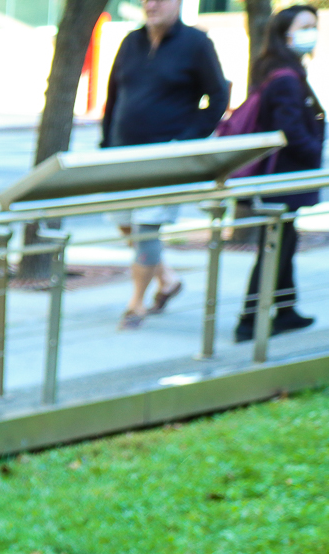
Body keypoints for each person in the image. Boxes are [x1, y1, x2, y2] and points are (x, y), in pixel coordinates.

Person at [100, 0, 230, 330]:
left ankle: (136, 305)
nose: (151, 4)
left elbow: (218, 97)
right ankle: (168, 280)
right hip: (122, 156)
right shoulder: (131, 41)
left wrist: (187, 141)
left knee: (146, 230)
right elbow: (114, 95)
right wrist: (105, 144)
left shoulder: (197, 44)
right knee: (126, 223)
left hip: (164, 162)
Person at [233, 5, 322, 342]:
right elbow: (290, 131)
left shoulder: (281, 71)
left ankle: (285, 309)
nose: (312, 32)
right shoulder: (285, 77)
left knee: (285, 241)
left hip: (282, 179)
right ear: (286, 33)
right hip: (282, 178)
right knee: (277, 245)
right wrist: (316, 153)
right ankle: (249, 319)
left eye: (315, 25)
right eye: (306, 26)